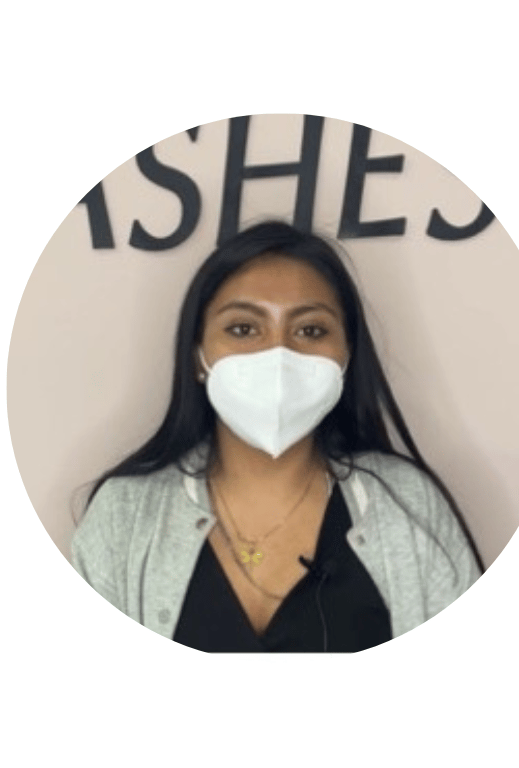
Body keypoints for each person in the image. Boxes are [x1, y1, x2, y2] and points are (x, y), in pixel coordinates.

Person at [70, 221, 482, 652]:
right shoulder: (124, 518)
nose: (278, 355)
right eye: (244, 329)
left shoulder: (409, 505)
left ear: (346, 356)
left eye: (310, 330)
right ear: (198, 357)